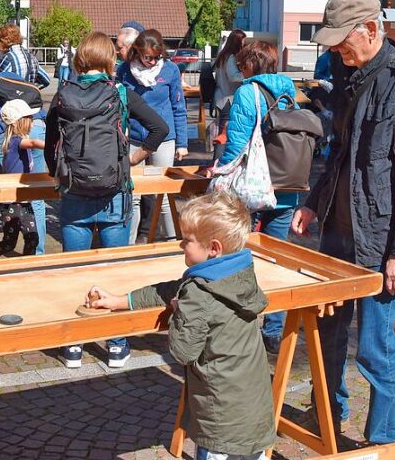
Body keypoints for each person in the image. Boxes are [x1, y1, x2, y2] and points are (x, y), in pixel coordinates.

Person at [290, 0, 395, 448]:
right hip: (339, 232)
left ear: (372, 30)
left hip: (382, 240)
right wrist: (314, 201)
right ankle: (328, 414)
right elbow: (340, 152)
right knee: (328, 333)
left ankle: (384, 438)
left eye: (343, 40)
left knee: (376, 346)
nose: (336, 49)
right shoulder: (348, 72)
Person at [85, 191, 276, 460]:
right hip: (254, 407)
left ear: (214, 248)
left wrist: (177, 312)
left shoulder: (198, 294)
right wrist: (120, 301)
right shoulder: (237, 275)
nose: (180, 245)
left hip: (219, 414)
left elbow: (184, 350)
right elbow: (174, 289)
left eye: (187, 240)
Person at [45, 31, 168, 369]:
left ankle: (73, 345)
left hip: (74, 196)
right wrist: (134, 157)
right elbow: (159, 128)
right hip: (115, 195)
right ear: (109, 60)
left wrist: (61, 176)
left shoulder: (63, 95)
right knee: (115, 272)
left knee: (75, 270)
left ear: (80, 59)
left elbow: (49, 146)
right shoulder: (122, 94)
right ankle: (116, 344)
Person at [215, 39, 298, 354]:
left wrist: (220, 172)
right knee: (276, 260)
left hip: (252, 190)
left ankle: (240, 324)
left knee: (238, 257)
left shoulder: (246, 94)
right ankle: (274, 330)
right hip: (287, 188)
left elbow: (236, 146)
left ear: (250, 64)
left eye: (241, 63)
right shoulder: (290, 93)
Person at [0, 46, 48, 253]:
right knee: (36, 195)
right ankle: (37, 253)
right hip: (37, 127)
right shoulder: (12, 77)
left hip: (5, 134)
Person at [117, 28, 188, 244]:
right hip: (135, 139)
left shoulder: (170, 70)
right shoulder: (124, 71)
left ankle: (173, 243)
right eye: (147, 57)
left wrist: (182, 142)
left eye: (157, 57)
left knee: (163, 194)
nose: (152, 62)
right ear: (137, 52)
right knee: (134, 195)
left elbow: (179, 106)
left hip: (164, 139)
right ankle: (128, 248)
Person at [0, 99, 44, 257]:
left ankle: (28, 266)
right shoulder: (15, 141)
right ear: (19, 122)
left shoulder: (16, 140)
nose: (33, 123)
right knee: (9, 243)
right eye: (30, 119)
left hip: (24, 199)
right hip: (12, 202)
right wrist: (52, 145)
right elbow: (34, 142)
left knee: (32, 238)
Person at [212, 29, 246, 159]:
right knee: (224, 134)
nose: (244, 44)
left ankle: (217, 162)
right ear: (237, 42)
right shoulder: (230, 57)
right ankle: (218, 164)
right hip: (228, 99)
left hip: (221, 98)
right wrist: (249, 75)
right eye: (243, 41)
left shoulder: (222, 55)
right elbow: (233, 77)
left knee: (223, 132)